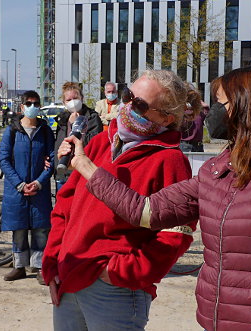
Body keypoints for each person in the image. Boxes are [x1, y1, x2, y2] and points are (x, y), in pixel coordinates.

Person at [60, 65, 251, 330]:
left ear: (250, 106)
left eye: (222, 105)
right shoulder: (221, 168)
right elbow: (147, 210)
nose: (210, 115)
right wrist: (87, 167)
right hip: (218, 322)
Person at [42, 70, 200, 330]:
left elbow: (176, 235)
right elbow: (64, 208)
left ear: (166, 118)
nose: (127, 106)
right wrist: (51, 263)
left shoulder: (171, 160)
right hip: (68, 277)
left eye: (139, 104)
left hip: (115, 291)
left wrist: (120, 272)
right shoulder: (98, 145)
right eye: (128, 95)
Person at [0, 90, 55, 284]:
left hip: (39, 189)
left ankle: (39, 267)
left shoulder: (45, 131)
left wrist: (39, 182)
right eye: (28, 103)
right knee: (19, 229)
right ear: (22, 107)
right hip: (17, 190)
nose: (32, 106)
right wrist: (21, 185)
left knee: (40, 230)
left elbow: (53, 159)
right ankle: (19, 267)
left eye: (36, 103)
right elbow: (4, 160)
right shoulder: (12, 130)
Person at [53, 82, 102, 188]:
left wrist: (76, 125)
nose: (73, 102)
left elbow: (92, 145)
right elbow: (59, 144)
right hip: (64, 175)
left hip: (83, 173)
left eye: (75, 98)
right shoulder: (62, 120)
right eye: (69, 100)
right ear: (64, 103)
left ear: (82, 98)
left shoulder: (92, 118)